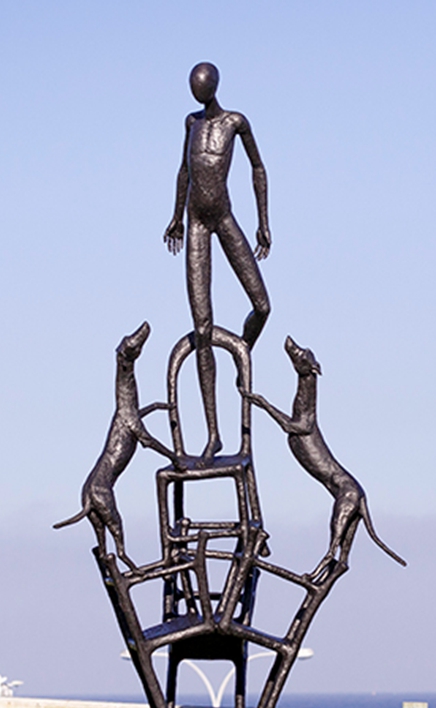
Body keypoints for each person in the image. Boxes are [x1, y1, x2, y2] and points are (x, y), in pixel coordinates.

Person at [163, 61, 271, 460]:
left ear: (214, 86)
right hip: (196, 226)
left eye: (201, 87)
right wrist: (175, 216)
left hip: (223, 218)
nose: (197, 94)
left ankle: (241, 354)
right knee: (202, 327)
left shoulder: (235, 122)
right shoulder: (190, 123)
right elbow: (183, 172)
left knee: (262, 305)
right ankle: (213, 434)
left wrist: (263, 221)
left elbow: (258, 167)